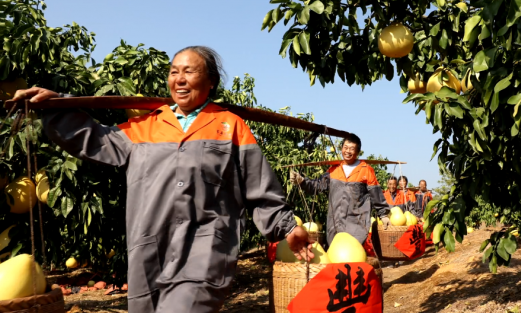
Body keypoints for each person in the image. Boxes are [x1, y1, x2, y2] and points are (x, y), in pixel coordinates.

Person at [14, 46, 313, 313]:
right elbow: (94, 139)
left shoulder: (229, 125)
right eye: (174, 72)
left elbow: (257, 182)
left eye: (189, 71)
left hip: (206, 248)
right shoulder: (145, 126)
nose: (179, 79)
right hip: (149, 247)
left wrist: (285, 225)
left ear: (210, 81)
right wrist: (55, 107)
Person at [289, 134, 391, 245]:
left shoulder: (366, 170)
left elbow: (376, 194)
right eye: (345, 147)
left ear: (358, 151)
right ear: (341, 148)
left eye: (352, 149)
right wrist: (302, 181)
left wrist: (383, 214)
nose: (348, 151)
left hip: (356, 224)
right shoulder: (334, 169)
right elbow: (318, 186)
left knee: (353, 254)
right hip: (335, 223)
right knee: (335, 254)